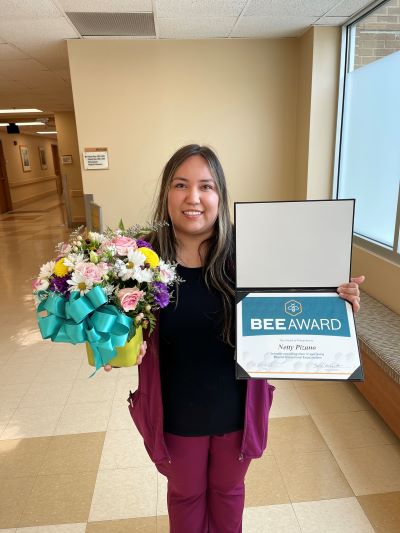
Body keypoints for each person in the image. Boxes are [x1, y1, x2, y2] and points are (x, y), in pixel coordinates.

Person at [105, 144, 364, 533]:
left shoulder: (250, 252)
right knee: (186, 495)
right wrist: (111, 344)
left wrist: (336, 303)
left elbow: (297, 299)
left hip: (236, 408)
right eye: (181, 185)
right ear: (166, 194)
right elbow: (112, 325)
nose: (193, 198)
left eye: (206, 186)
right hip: (176, 409)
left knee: (228, 493)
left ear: (220, 196)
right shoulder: (139, 259)